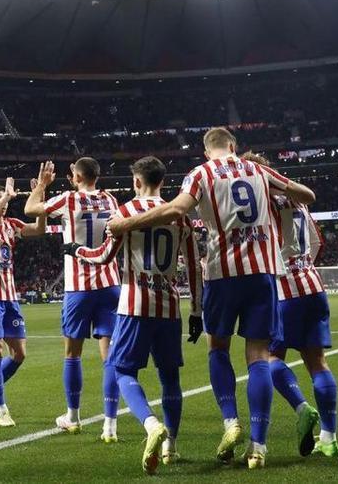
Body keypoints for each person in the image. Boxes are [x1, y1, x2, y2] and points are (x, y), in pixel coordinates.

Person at [107, 127, 316, 469]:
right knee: (259, 356)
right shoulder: (260, 170)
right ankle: (258, 447)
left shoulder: (200, 173)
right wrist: (288, 192)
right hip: (264, 272)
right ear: (233, 146)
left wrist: (126, 223)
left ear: (207, 152)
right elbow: (305, 194)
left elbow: (177, 210)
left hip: (222, 273)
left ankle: (231, 422)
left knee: (218, 347)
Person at [66, 156, 203, 474]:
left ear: (138, 182)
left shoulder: (125, 212)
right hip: (169, 307)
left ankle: (151, 424)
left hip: (133, 305)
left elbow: (102, 257)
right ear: (162, 182)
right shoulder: (180, 217)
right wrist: (196, 310)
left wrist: (76, 250)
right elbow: (194, 267)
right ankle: (171, 447)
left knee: (122, 371)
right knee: (170, 378)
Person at [241, 152, 338, 459]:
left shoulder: (261, 205)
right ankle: (329, 437)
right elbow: (316, 242)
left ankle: (302, 408)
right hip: (312, 285)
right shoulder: (298, 201)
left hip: (282, 290)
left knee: (267, 358)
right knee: (318, 362)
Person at [24, 158, 123, 441]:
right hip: (110, 285)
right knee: (110, 358)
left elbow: (30, 208)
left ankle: (74, 417)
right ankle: (110, 426)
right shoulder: (110, 199)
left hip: (78, 289)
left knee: (72, 354)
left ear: (76, 177)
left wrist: (42, 185)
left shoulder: (69, 199)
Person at [0, 177, 47, 427]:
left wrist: (41, 198)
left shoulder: (11, 225)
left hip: (10, 297)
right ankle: (1, 408)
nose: (3, 205)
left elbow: (39, 230)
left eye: (3, 200)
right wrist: (6, 196)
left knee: (20, 353)